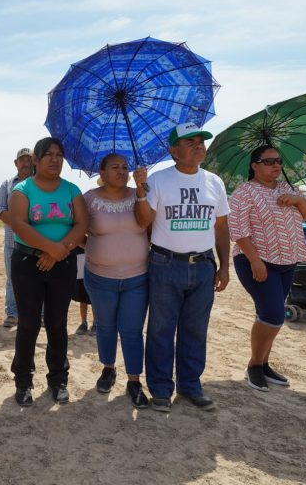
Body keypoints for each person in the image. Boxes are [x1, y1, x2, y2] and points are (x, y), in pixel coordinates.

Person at [137, 122, 230, 413]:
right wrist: (141, 191)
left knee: (196, 329)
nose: (198, 145)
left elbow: (222, 226)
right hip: (165, 264)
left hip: (203, 265)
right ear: (173, 150)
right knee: (161, 330)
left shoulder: (215, 181)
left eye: (201, 140)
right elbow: (142, 222)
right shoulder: (159, 179)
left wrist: (224, 266)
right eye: (189, 141)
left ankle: (191, 386)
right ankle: (161, 389)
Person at [228, 145, 306, 391]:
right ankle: (254, 365)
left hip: (288, 261)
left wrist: (299, 199)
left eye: (278, 161)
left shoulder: (287, 188)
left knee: (267, 314)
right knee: (273, 314)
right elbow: (238, 230)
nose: (276, 165)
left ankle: (264, 363)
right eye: (268, 161)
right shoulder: (244, 192)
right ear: (254, 165)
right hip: (257, 261)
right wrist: (255, 260)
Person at [8, 137, 88, 406]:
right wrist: (49, 248)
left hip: (63, 263)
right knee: (28, 323)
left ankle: (58, 379)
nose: (55, 159)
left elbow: (81, 224)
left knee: (57, 324)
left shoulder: (72, 190)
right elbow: (19, 224)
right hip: (26, 264)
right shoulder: (22, 189)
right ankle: (23, 381)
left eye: (59, 154)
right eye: (48, 154)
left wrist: (59, 251)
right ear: (35, 160)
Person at [83, 153, 151, 408]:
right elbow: (80, 231)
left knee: (133, 331)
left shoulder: (139, 194)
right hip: (99, 278)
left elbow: (146, 223)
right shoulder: (89, 199)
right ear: (102, 172)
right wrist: (96, 251)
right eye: (115, 167)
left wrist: (142, 190)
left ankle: (134, 380)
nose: (122, 171)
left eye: (125, 167)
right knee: (105, 326)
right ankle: (108, 368)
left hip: (137, 277)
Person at [0, 147, 33, 328]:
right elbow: (0, 210)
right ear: (16, 163)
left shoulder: (40, 183)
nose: (26, 163)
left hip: (37, 243)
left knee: (37, 279)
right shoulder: (7, 184)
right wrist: (22, 227)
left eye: (29, 159)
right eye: (22, 160)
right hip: (13, 242)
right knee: (13, 278)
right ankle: (12, 313)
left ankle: (38, 314)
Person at [72, 249, 95, 335]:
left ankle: (95, 323)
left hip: (93, 258)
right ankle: (83, 322)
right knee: (82, 294)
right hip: (80, 257)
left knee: (94, 296)